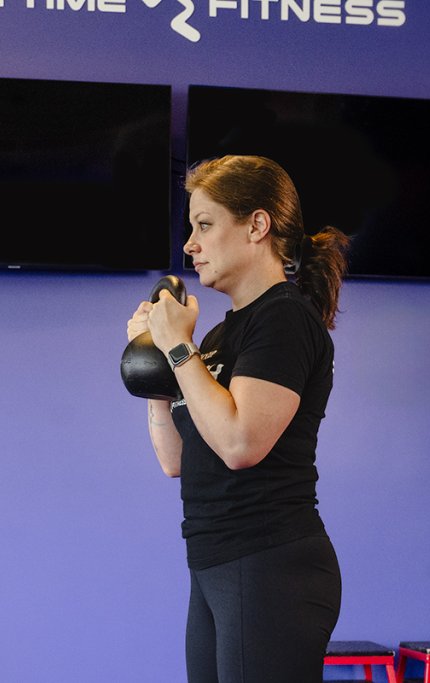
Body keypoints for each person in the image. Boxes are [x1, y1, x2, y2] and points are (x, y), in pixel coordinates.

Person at [125, 155, 351, 683]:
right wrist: (158, 369)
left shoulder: (284, 318)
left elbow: (240, 444)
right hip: (213, 563)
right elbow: (177, 461)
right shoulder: (223, 337)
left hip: (271, 563)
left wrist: (178, 346)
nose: (189, 244)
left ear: (257, 225)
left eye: (204, 224)